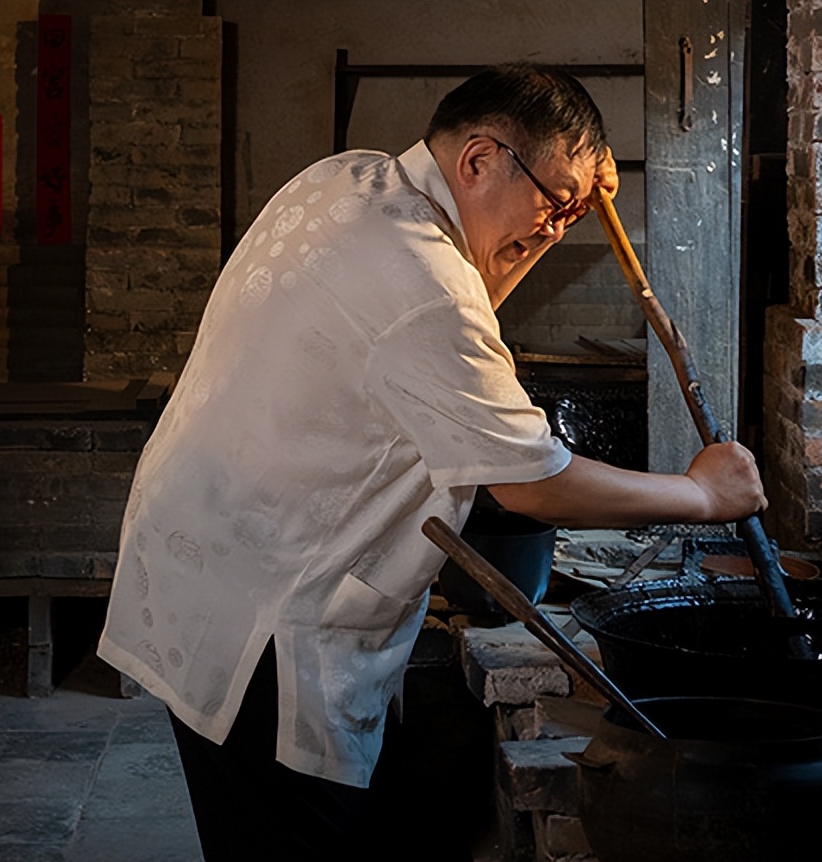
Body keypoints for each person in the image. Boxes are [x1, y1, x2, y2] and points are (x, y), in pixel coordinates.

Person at [97, 63, 765, 861]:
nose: (558, 228)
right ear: (480, 161)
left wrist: (544, 218)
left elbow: (465, 306)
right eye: (555, 204)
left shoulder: (348, 180)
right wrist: (700, 493)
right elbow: (529, 482)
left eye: (570, 214)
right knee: (293, 840)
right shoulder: (421, 283)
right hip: (267, 626)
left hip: (210, 558)